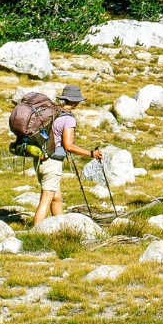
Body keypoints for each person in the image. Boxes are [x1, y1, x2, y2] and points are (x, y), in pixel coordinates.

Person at [35, 84, 99, 227]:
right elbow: (68, 145)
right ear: (76, 102)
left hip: (40, 159)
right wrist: (90, 154)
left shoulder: (52, 112)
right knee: (46, 198)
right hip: (52, 161)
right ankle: (35, 232)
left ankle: (61, 226)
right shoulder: (68, 119)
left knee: (55, 197)